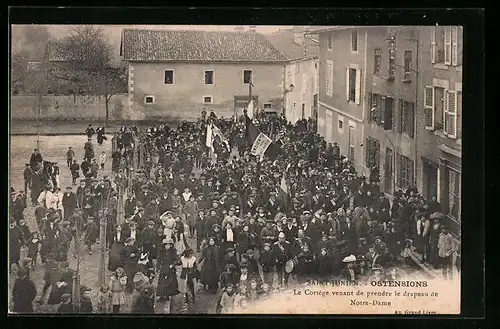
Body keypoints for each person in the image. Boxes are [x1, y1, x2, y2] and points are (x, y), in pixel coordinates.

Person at [156, 239, 179, 306]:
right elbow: (159, 259)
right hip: (163, 268)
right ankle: (162, 296)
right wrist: (157, 267)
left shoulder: (173, 252)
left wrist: (173, 264)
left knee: (169, 282)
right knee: (162, 282)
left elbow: (176, 259)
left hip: (170, 269)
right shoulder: (161, 251)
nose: (167, 246)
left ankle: (167, 295)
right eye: (166, 245)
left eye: (169, 245)